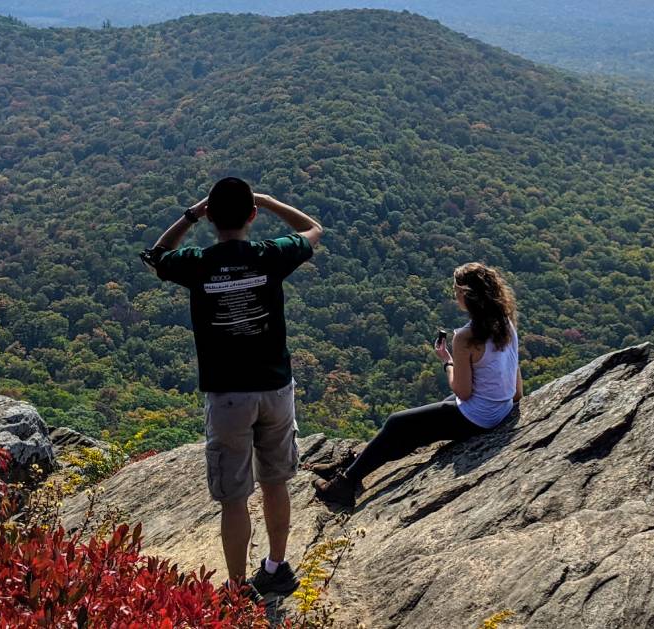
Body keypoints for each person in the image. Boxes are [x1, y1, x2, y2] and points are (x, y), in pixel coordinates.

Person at [142, 177, 323, 598]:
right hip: (275, 390)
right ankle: (277, 567)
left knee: (235, 495)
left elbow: (157, 254)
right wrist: (270, 200)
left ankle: (239, 588)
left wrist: (191, 213)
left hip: (227, 395)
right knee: (275, 482)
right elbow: (313, 230)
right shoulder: (270, 256)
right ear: (252, 216)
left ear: (210, 219)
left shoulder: (198, 263)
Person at [311, 262, 522, 509]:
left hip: (479, 417)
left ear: (466, 295)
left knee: (397, 423)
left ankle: (343, 485)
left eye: (456, 292)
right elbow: (517, 389)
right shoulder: (506, 324)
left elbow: (462, 391)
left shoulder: (466, 336)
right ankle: (353, 464)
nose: (455, 298)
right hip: (500, 409)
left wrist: (448, 362)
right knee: (419, 424)